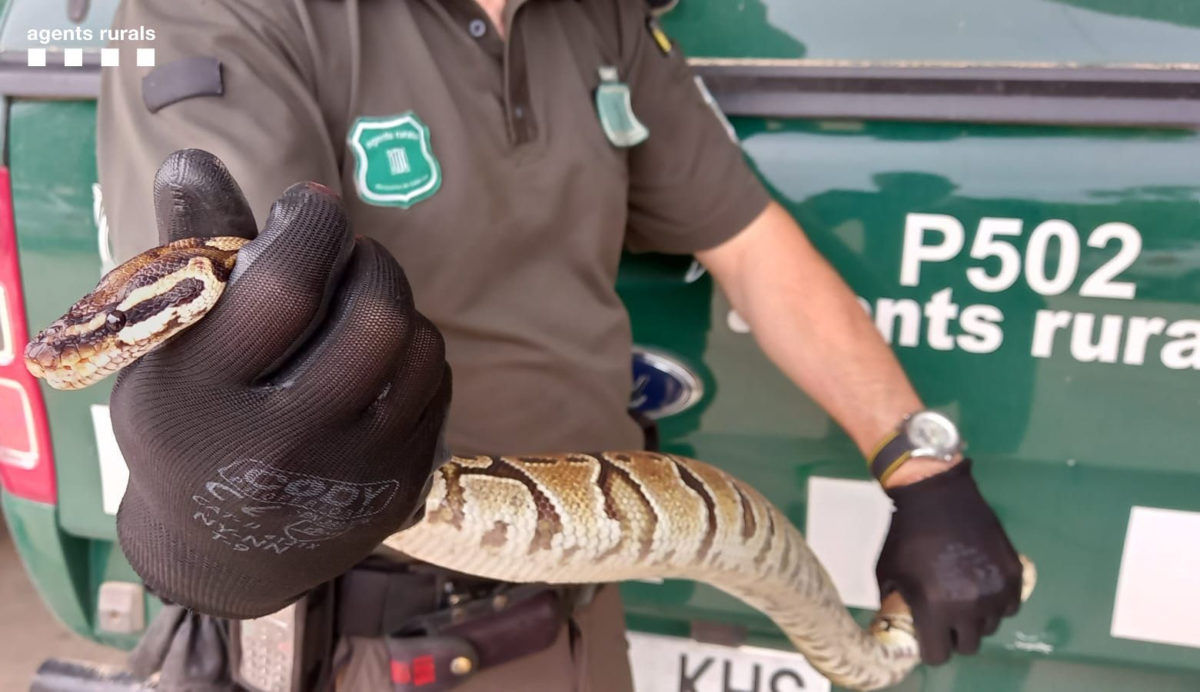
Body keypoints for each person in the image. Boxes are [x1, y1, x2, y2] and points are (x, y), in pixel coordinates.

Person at [97, 0, 1024, 689]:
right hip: (369, 644)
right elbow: (242, 346)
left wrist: (921, 465)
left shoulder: (599, 19)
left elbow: (749, 244)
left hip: (586, 607)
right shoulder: (223, 11)